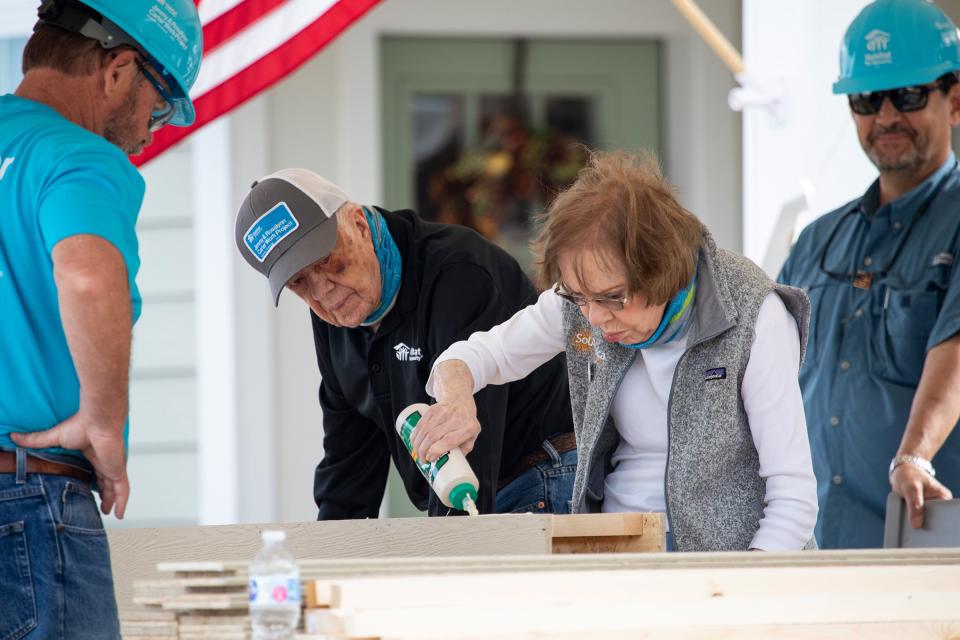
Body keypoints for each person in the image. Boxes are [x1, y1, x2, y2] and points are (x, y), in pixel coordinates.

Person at [416, 150, 819, 552]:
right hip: (618, 550)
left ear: (663, 271)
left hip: (732, 563)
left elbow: (793, 499)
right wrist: (456, 400)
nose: (593, 318)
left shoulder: (755, 313)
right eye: (578, 298)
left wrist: (739, 589)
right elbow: (475, 355)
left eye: (612, 298)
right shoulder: (584, 299)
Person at [0, 0, 202, 635]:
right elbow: (88, 277)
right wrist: (103, 422)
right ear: (117, 71)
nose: (151, 130)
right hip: (29, 505)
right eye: (160, 104)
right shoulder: (75, 155)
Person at [234, 168, 576, 519]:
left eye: (326, 261)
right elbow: (348, 466)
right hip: (469, 495)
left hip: (539, 476)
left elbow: (467, 444)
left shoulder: (457, 271)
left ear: (359, 224)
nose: (323, 291)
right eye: (299, 282)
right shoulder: (337, 315)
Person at [778, 0, 960, 549]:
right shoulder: (816, 241)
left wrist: (914, 455)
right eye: (866, 99)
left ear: (954, 100)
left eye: (907, 96)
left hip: (927, 540)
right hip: (814, 542)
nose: (885, 117)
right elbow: (767, 373)